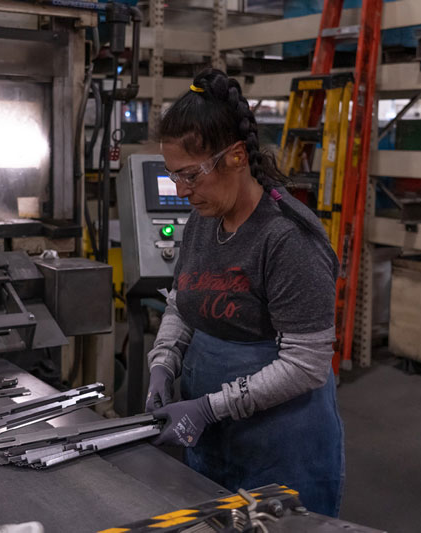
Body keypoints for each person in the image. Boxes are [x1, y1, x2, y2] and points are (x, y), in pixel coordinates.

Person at [145, 68, 345, 517]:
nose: (181, 191)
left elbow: (305, 365)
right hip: (214, 439)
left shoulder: (287, 237)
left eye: (191, 175)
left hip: (281, 446)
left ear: (236, 156)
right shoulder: (202, 222)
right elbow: (183, 301)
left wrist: (210, 407)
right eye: (172, 175)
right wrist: (163, 363)